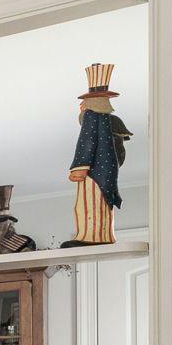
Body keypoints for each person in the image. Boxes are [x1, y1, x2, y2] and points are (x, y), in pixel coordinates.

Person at [67, 63, 131, 246]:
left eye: (84, 102)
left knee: (89, 204)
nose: (81, 105)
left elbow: (86, 142)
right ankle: (104, 235)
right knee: (103, 202)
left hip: (95, 171)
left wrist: (79, 167)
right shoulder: (106, 120)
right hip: (106, 171)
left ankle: (91, 236)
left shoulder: (92, 117)